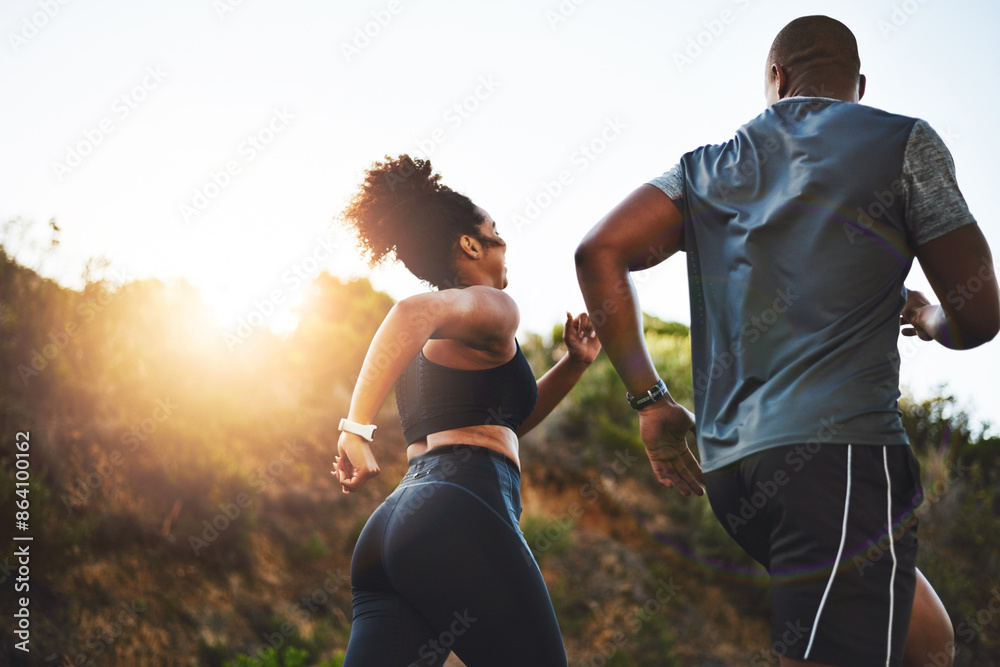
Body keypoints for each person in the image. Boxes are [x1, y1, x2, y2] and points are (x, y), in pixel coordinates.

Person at [575, 15, 998, 667]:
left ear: (776, 77)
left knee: (929, 643)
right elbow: (980, 313)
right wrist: (929, 318)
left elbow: (598, 250)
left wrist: (651, 402)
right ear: (857, 84)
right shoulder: (902, 141)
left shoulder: (704, 168)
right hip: (839, 461)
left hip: (736, 479)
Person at [333, 154, 601, 667]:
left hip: (391, 530)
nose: (504, 242)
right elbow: (409, 310)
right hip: (460, 506)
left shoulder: (437, 344)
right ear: (470, 245)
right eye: (495, 231)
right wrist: (354, 429)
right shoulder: (493, 307)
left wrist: (573, 364)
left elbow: (502, 422)